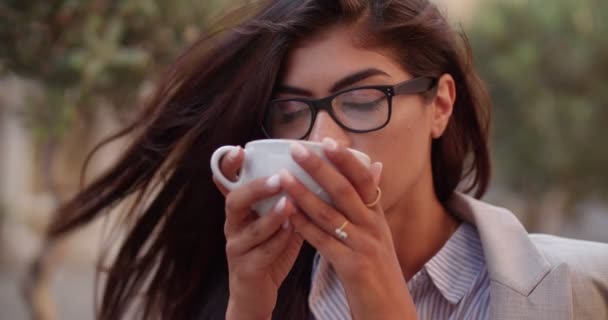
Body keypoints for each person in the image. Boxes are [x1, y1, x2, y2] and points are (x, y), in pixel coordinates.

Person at [47, 0, 608, 319]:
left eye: (363, 100)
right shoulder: (251, 291)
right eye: (293, 111)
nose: (324, 139)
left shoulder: (578, 288)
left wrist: (379, 293)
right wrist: (248, 303)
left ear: (440, 105)